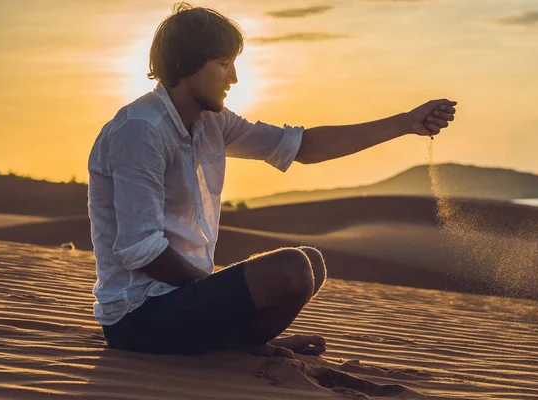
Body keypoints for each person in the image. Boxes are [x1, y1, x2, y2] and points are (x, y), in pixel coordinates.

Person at [87, 3, 457, 359]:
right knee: (291, 269)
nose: (233, 78)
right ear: (187, 65)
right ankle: (233, 343)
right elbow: (141, 249)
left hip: (182, 302)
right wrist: (213, 291)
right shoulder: (141, 130)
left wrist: (405, 123)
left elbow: (304, 146)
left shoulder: (211, 122)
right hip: (138, 317)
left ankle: (235, 343)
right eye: (224, 64)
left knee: (311, 263)